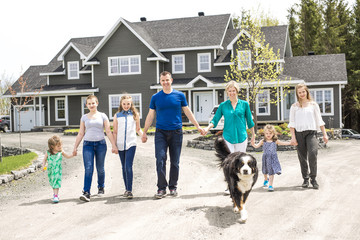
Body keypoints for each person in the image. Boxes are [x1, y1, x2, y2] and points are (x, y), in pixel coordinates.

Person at [141, 71, 205, 199]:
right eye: (163, 80)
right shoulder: (156, 97)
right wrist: (144, 132)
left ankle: (173, 187)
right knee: (160, 159)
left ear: (171, 80)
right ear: (160, 81)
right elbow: (150, 115)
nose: (165, 82)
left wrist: (198, 126)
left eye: (167, 80)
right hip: (160, 133)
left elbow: (188, 112)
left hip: (176, 132)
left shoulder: (180, 96)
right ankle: (161, 188)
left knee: (175, 162)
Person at [72, 95, 118, 202]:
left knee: (100, 168)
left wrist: (114, 145)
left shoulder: (103, 116)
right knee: (88, 168)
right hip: (87, 145)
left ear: (97, 103)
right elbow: (80, 133)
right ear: (86, 105)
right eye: (89, 103)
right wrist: (75, 147)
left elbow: (108, 131)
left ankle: (101, 186)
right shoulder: (84, 117)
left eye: (93, 103)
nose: (91, 105)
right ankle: (86, 192)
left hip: (101, 145)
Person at [289, 83, 328, 189]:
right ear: (297, 94)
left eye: (303, 91)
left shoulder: (313, 105)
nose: (302, 94)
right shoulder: (294, 107)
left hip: (311, 133)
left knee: (312, 153)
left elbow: (320, 120)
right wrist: (293, 137)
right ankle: (305, 179)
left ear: (307, 92)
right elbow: (292, 123)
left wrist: (325, 134)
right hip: (299, 134)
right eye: (299, 92)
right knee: (302, 157)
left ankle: (313, 179)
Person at [203, 80, 256, 152]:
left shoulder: (244, 104)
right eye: (229, 91)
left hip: (241, 137)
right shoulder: (223, 105)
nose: (232, 93)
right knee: (229, 160)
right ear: (227, 92)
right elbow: (215, 120)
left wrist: (253, 135)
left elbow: (250, 122)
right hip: (228, 137)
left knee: (239, 161)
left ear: (237, 91)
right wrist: (207, 128)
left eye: (233, 91)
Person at [113, 95, 143, 199]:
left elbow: (138, 129)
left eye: (128, 104)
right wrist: (114, 145)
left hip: (131, 143)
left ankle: (129, 190)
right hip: (120, 144)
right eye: (124, 104)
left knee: (128, 166)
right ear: (121, 104)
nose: (126, 106)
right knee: (123, 167)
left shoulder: (135, 115)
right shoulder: (117, 115)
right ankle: (126, 189)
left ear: (131, 104)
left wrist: (143, 135)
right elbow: (115, 132)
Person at [251, 125, 292, 191]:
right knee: (265, 170)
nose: (268, 135)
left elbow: (283, 143)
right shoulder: (263, 141)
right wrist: (253, 144)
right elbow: (256, 146)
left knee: (271, 171)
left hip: (273, 158)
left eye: (270, 133)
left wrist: (291, 143)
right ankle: (265, 178)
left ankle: (270, 185)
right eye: (267, 133)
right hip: (265, 158)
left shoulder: (275, 141)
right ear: (264, 134)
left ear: (273, 133)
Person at [42, 135, 74, 203]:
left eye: (60, 145)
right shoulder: (48, 153)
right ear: (52, 146)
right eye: (58, 146)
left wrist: (73, 154)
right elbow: (44, 160)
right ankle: (55, 194)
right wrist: (43, 166)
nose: (60, 147)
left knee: (56, 182)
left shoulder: (61, 152)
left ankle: (56, 195)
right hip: (51, 170)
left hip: (57, 171)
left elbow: (67, 156)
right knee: (52, 182)